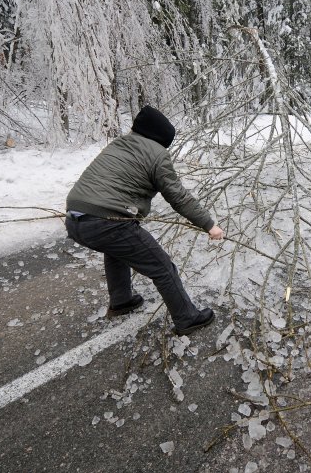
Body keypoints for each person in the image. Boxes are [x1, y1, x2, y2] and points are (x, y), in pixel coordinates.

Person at [64, 105, 224, 335]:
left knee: (116, 250)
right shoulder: (158, 155)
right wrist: (209, 225)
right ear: (162, 138)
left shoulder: (120, 143)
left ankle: (121, 301)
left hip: (74, 218)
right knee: (163, 268)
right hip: (107, 221)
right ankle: (188, 318)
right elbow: (178, 197)